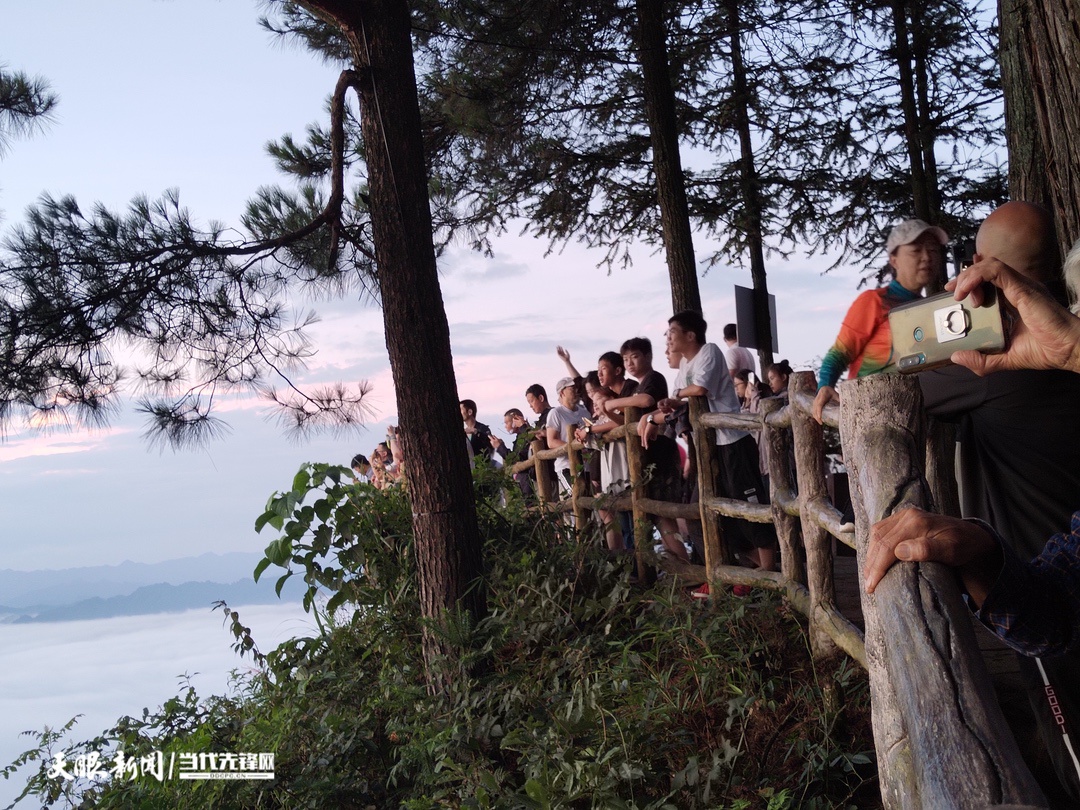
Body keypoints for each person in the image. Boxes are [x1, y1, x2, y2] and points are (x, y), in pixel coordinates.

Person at [864, 255, 1080, 660]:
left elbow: (885, 390)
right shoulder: (1052, 358)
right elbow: (1059, 608)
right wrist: (979, 549)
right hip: (1034, 559)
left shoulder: (993, 372)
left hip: (1026, 552)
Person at [660, 310, 777, 573]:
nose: (669, 338)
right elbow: (681, 399)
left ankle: (770, 568)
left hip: (734, 440)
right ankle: (761, 568)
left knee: (749, 501)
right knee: (724, 510)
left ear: (691, 335)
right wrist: (663, 408)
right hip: (711, 445)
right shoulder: (685, 365)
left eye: (673, 332)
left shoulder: (709, 351)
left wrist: (677, 394)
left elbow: (699, 390)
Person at [812, 219, 949, 423]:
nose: (927, 257)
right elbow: (840, 352)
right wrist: (825, 385)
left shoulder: (930, 308)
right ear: (894, 260)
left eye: (933, 250)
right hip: (871, 414)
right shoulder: (874, 301)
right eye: (915, 250)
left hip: (914, 415)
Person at [546, 376, 593, 498]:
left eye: (576, 387)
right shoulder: (556, 413)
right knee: (576, 497)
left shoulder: (584, 412)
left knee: (590, 500)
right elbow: (551, 442)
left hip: (587, 466)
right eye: (572, 388)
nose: (576, 390)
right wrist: (574, 448)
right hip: (566, 466)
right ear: (562, 392)